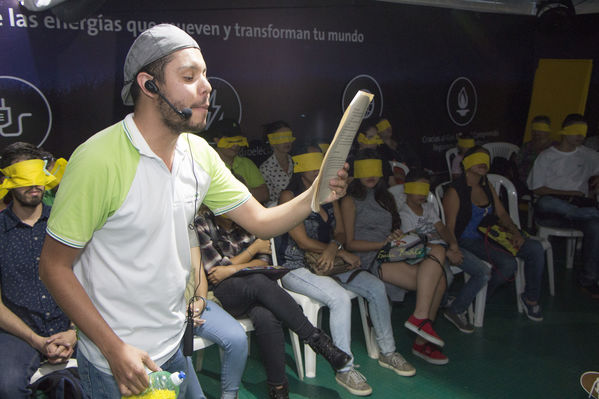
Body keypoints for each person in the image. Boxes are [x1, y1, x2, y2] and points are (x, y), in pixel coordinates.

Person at [38, 24, 349, 399]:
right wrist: (113, 349)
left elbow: (262, 220)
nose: (207, 86)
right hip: (120, 364)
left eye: (204, 74)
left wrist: (316, 193)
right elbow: (53, 267)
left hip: (174, 346)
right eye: (189, 76)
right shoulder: (97, 160)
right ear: (149, 85)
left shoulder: (198, 153)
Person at [278, 146, 415, 396]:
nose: (320, 166)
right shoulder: (289, 196)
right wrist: (337, 251)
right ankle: (345, 368)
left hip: (331, 263)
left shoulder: (330, 193)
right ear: (299, 166)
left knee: (376, 287)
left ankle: (388, 351)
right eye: (314, 162)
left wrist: (334, 247)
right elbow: (301, 241)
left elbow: (340, 232)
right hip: (296, 266)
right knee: (339, 298)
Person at [195, 206, 350, 399]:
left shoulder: (248, 223)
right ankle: (315, 339)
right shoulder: (202, 225)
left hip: (254, 293)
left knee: (266, 315)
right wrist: (252, 250)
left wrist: (233, 269)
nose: (232, 208)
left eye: (235, 205)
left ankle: (278, 389)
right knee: (258, 281)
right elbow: (214, 273)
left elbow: (263, 263)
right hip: (221, 296)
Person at [341, 149, 449, 366]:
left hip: (392, 250)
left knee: (438, 251)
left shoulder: (386, 197)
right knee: (439, 281)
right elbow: (349, 243)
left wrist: (397, 235)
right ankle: (420, 338)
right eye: (365, 169)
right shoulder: (350, 201)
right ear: (356, 171)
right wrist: (382, 243)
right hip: (370, 257)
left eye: (375, 169)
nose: (371, 175)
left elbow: (393, 227)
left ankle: (419, 320)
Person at [0, 142, 78, 398]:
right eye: (24, 176)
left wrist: (74, 332)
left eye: (38, 174)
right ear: (8, 180)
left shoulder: (64, 223)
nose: (35, 184)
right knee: (7, 386)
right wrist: (35, 340)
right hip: (19, 332)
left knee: (104, 375)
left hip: (71, 325)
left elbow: (89, 280)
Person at [444, 146, 546, 321]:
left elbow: (502, 214)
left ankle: (530, 299)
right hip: (467, 240)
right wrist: (453, 248)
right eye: (477, 159)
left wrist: (515, 232)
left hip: (492, 234)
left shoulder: (487, 186)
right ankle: (477, 298)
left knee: (535, 248)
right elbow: (449, 227)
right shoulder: (454, 191)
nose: (483, 163)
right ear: (466, 163)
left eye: (485, 160)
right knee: (508, 264)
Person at [396, 169, 490, 333]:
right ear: (407, 189)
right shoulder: (404, 214)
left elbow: (442, 228)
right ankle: (436, 308)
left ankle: (455, 309)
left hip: (446, 248)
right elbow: (415, 244)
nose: (422, 194)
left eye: (426, 189)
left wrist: (453, 245)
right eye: (418, 189)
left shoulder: (429, 207)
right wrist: (446, 253)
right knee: (447, 277)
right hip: (428, 254)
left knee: (484, 272)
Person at [528, 114, 599, 298]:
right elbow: (537, 188)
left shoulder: (590, 156)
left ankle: (589, 280)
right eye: (576, 132)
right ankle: (588, 213)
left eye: (583, 132)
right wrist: (571, 194)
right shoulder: (547, 157)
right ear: (564, 132)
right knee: (546, 202)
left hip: (581, 210)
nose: (580, 136)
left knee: (595, 226)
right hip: (553, 209)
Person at [206, 118, 270, 204]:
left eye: (239, 140)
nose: (236, 145)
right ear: (216, 140)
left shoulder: (246, 163)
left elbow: (264, 194)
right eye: (230, 141)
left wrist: (234, 193)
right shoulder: (208, 164)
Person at [513, 115, 554, 193]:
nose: (536, 132)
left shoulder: (554, 148)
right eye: (534, 129)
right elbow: (516, 163)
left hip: (545, 182)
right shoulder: (527, 146)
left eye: (540, 129)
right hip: (523, 180)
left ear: (547, 130)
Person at [259, 120, 296, 205]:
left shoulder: (297, 161)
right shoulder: (265, 168)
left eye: (288, 136)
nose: (287, 141)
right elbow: (267, 200)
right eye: (282, 138)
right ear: (271, 141)